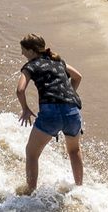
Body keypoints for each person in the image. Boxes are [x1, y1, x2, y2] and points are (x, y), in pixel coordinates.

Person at [16, 33, 84, 194]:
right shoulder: (58, 61)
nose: (22, 53)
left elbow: (20, 90)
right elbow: (78, 77)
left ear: (31, 51)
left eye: (23, 50)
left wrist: (25, 109)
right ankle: (79, 189)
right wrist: (69, 94)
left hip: (50, 114)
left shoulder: (30, 66)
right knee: (74, 151)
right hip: (72, 111)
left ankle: (31, 193)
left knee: (31, 153)